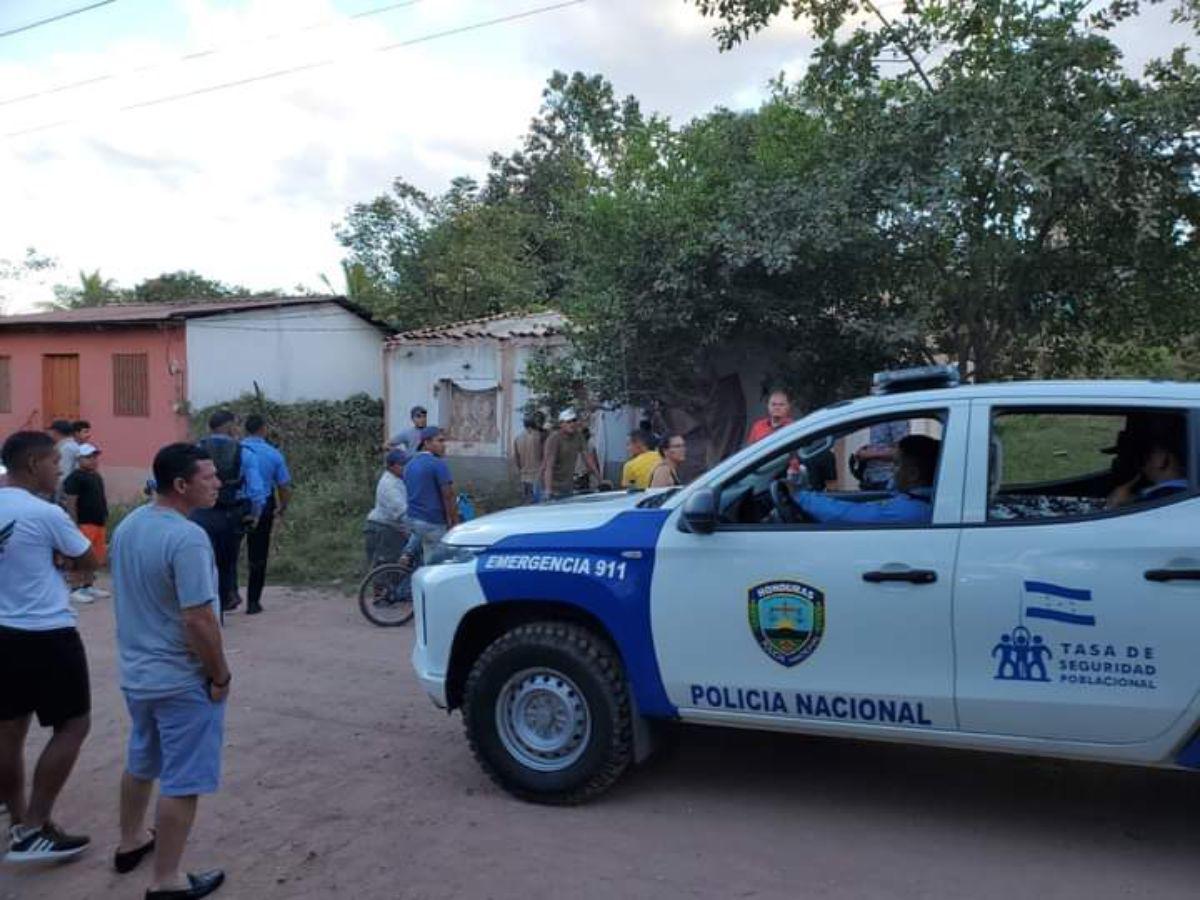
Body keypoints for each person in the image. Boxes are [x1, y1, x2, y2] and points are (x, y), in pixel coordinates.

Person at [110, 442, 228, 899]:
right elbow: (198, 617)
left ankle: (130, 841)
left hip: (138, 674)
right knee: (183, 781)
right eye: (209, 476)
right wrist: (219, 675)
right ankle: (167, 881)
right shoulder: (187, 537)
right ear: (181, 485)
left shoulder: (131, 525)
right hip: (181, 678)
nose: (217, 482)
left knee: (141, 759)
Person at [0, 431, 96, 863]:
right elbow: (88, 558)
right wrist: (60, 557)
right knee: (73, 725)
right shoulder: (45, 512)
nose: (60, 469)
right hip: (46, 632)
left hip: (2, 630)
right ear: (34, 463)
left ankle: (19, 821)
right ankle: (35, 826)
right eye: (55, 461)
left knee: (8, 729)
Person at [190, 410, 264, 616]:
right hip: (231, 514)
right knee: (226, 561)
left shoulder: (196, 450)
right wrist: (255, 514)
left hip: (199, 513)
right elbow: (257, 491)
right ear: (230, 426)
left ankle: (203, 602)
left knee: (201, 559)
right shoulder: (244, 452)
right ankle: (223, 602)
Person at [787, 435, 941, 525]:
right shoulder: (920, 500)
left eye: (896, 464)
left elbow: (847, 514)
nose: (892, 470)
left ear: (914, 474)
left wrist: (801, 496)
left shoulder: (909, 510)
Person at [240, 415, 293, 616]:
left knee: (226, 552)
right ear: (263, 429)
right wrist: (282, 507)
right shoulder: (273, 454)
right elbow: (284, 486)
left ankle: (226, 595)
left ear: (245, 430)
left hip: (233, 503)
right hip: (263, 504)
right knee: (258, 553)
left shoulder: (235, 451)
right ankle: (253, 602)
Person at [62, 443, 111, 604]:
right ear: (79, 459)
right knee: (79, 555)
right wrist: (73, 524)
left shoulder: (96, 476)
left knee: (93, 557)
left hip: (98, 522)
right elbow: (71, 502)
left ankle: (88, 585)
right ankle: (75, 588)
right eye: (88, 457)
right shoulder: (74, 478)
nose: (93, 460)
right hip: (83, 523)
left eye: (94, 457)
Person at [404, 427, 460, 560]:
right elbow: (448, 495)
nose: (443, 445)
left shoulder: (410, 464)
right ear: (427, 443)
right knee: (445, 561)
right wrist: (454, 521)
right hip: (432, 521)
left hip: (413, 519)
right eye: (439, 441)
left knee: (429, 556)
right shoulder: (438, 464)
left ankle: (405, 562)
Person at [1108, 417, 1188, 508]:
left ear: (1160, 458)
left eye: (1143, 456)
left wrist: (1118, 505)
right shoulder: (1183, 493)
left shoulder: (1163, 497)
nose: (1140, 465)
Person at [365, 449, 418, 569]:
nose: (405, 467)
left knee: (393, 569)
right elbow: (402, 514)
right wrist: (415, 530)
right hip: (383, 529)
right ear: (391, 466)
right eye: (402, 465)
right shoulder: (389, 485)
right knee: (387, 568)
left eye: (406, 464)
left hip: (391, 527)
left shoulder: (400, 480)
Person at [542, 409, 600, 500]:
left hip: (567, 486)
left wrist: (599, 478)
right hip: (551, 486)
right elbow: (549, 466)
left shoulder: (578, 436)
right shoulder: (554, 438)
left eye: (574, 421)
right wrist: (548, 490)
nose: (572, 424)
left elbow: (588, 458)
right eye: (568, 422)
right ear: (561, 424)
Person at [854, 419, 910, 490]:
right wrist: (866, 449)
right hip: (872, 478)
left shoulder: (896, 419)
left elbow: (902, 452)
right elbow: (882, 445)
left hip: (888, 480)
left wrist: (869, 454)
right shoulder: (877, 417)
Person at [512, 413, 546, 503]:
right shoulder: (540, 436)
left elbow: (516, 460)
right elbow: (545, 457)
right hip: (538, 477)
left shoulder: (517, 438)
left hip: (524, 477)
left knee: (528, 506)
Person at [47, 419, 79, 495]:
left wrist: (56, 492)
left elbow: (63, 473)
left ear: (55, 432)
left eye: (51, 432)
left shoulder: (66, 448)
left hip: (66, 490)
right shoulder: (72, 445)